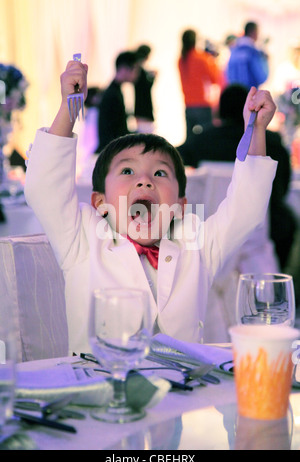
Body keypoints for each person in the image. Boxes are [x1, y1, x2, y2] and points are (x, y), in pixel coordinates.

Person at [24, 59, 277, 355]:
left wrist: (255, 129)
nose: (144, 181)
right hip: (102, 390)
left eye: (159, 173)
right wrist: (69, 107)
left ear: (181, 206)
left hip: (183, 395)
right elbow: (44, 188)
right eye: (128, 171)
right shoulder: (82, 237)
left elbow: (245, 209)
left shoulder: (194, 242)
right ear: (100, 203)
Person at [178, 84, 297, 270]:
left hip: (208, 222)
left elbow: (175, 161)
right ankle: (278, 276)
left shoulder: (203, 140)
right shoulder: (271, 141)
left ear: (220, 110)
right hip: (263, 229)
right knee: (287, 220)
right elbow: (282, 188)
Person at [178, 29, 221, 141]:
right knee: (207, 139)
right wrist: (213, 60)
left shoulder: (181, 60)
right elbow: (214, 79)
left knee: (189, 139)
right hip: (202, 104)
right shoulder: (202, 58)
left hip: (188, 103)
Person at [95, 51, 139, 153]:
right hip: (110, 151)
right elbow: (114, 131)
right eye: (135, 69)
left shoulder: (114, 91)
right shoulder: (112, 94)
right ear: (124, 69)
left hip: (110, 149)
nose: (136, 74)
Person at [226, 22, 269, 90]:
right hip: (250, 95)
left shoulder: (234, 50)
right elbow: (262, 77)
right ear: (253, 32)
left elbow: (228, 75)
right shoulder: (253, 52)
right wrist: (265, 61)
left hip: (235, 94)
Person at [134, 44, 156, 133]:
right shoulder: (139, 69)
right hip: (143, 107)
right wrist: (153, 77)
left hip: (140, 107)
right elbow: (146, 87)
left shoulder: (137, 68)